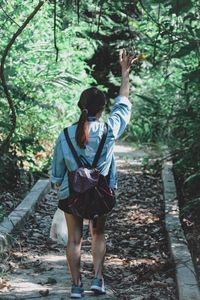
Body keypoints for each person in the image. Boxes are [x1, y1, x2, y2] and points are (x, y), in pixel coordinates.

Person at [51, 49, 137, 298]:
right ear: (102, 109)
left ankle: (76, 286)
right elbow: (123, 104)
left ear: (80, 106)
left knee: (74, 240)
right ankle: (97, 280)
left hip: (71, 195)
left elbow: (57, 172)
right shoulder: (110, 130)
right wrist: (124, 71)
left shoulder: (65, 134)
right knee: (98, 233)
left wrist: (59, 185)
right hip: (101, 194)